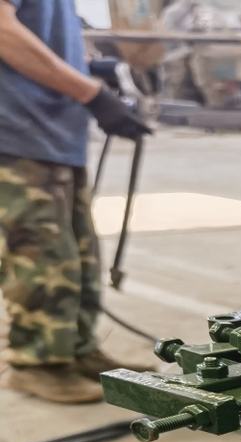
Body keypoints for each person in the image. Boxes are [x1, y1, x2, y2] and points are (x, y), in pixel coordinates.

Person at [0, 0, 151, 403]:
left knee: (78, 255)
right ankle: (36, 364)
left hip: (55, 133)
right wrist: (90, 92)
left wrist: (91, 68)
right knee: (41, 253)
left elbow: (42, 32)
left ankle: (76, 350)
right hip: (16, 133)